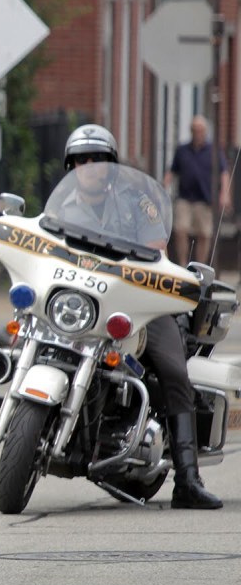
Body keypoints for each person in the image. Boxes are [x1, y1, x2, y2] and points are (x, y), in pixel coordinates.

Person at [63, 123, 222, 509]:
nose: (89, 166)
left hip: (141, 305)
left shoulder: (137, 201)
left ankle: (187, 479)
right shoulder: (60, 209)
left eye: (97, 159)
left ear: (111, 164)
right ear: (71, 166)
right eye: (81, 160)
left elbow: (155, 245)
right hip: (84, 305)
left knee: (173, 370)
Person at [164, 114, 232, 266]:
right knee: (180, 229)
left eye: (201, 130)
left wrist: (225, 194)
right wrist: (164, 185)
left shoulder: (213, 151)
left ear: (205, 131)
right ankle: (182, 263)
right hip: (185, 198)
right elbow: (172, 171)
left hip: (205, 199)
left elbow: (224, 172)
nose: (198, 133)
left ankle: (199, 266)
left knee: (204, 234)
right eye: (195, 130)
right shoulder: (182, 150)